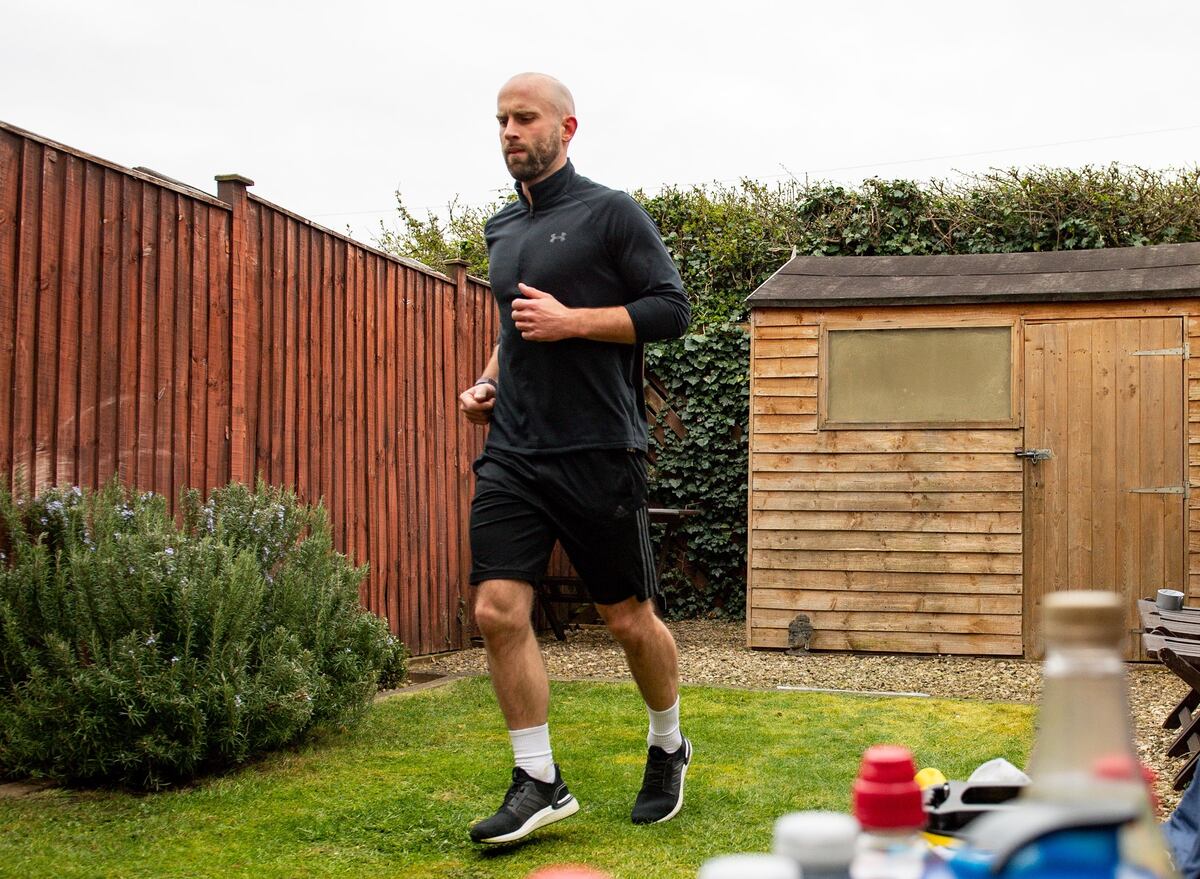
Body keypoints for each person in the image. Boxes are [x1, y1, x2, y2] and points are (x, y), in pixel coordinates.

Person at [458, 72, 692, 845]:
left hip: (598, 449)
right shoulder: (501, 229)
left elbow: (671, 310)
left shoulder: (610, 213)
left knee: (627, 619)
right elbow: (514, 328)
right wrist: (489, 380)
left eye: (524, 118)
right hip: (515, 452)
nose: (509, 132)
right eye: (500, 120)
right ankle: (538, 778)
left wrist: (574, 321)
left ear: (567, 127)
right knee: (497, 609)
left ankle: (668, 744)